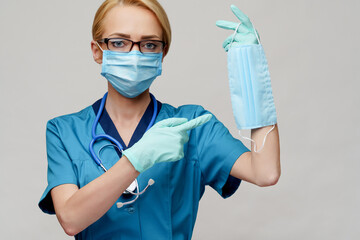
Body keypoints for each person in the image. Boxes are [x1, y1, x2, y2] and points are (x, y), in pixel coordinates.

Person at [38, 0, 281, 239]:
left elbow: (265, 172)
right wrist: (135, 161)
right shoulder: (64, 131)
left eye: (149, 45)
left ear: (162, 53)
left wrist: (252, 77)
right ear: (97, 51)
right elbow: (70, 220)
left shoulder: (192, 125)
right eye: (120, 42)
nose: (135, 54)